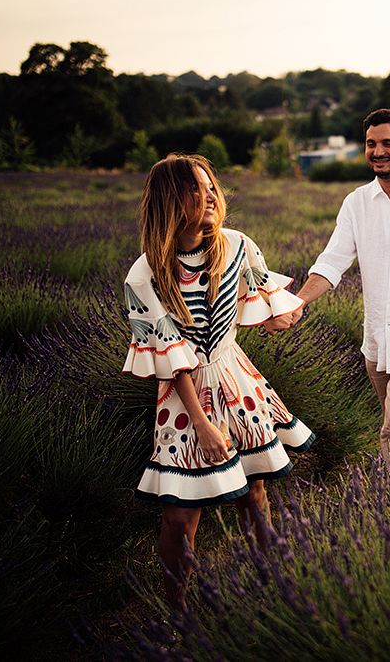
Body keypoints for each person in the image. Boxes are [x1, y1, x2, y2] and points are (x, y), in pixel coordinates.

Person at [122, 153, 314, 609]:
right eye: (194, 188)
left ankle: (274, 587)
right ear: (170, 199)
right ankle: (178, 612)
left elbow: (256, 305)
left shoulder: (239, 246)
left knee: (253, 490)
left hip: (237, 380)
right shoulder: (144, 272)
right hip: (182, 398)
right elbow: (173, 360)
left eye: (211, 187)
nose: (208, 196)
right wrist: (203, 425)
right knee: (180, 513)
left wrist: (277, 315)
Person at [267, 108, 390, 464]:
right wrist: (296, 303)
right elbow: (331, 263)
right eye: (371, 144)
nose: (378, 151)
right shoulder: (356, 203)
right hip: (376, 337)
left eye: (388, 143)